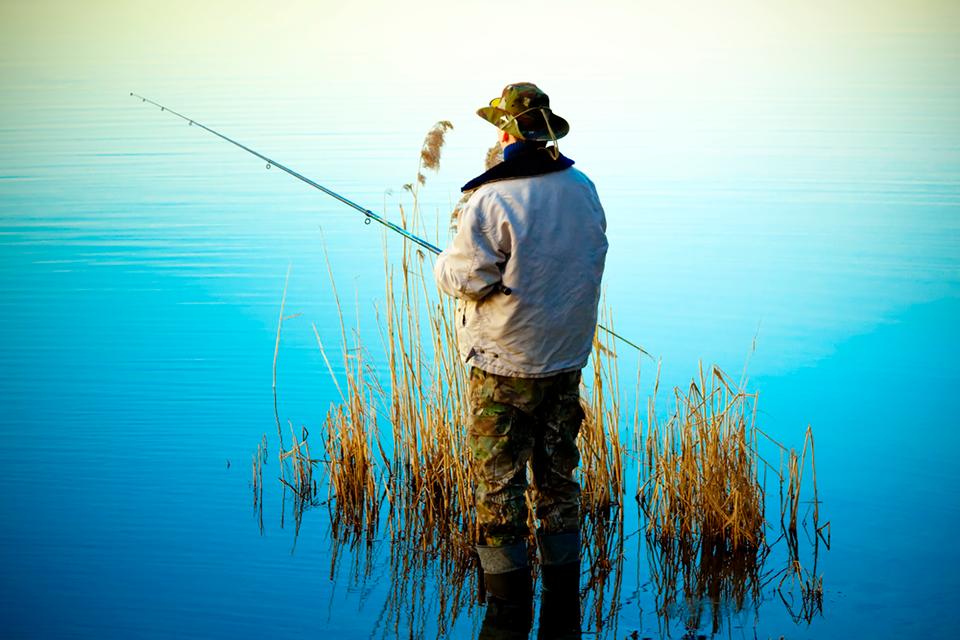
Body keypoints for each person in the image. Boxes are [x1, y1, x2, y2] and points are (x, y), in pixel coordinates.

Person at [434, 83, 608, 627]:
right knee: (558, 475)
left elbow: (467, 277)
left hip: (503, 366)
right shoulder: (583, 187)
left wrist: (440, 265)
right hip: (565, 360)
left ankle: (506, 605)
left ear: (508, 133)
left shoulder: (492, 199)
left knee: (499, 483)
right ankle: (562, 593)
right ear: (547, 133)